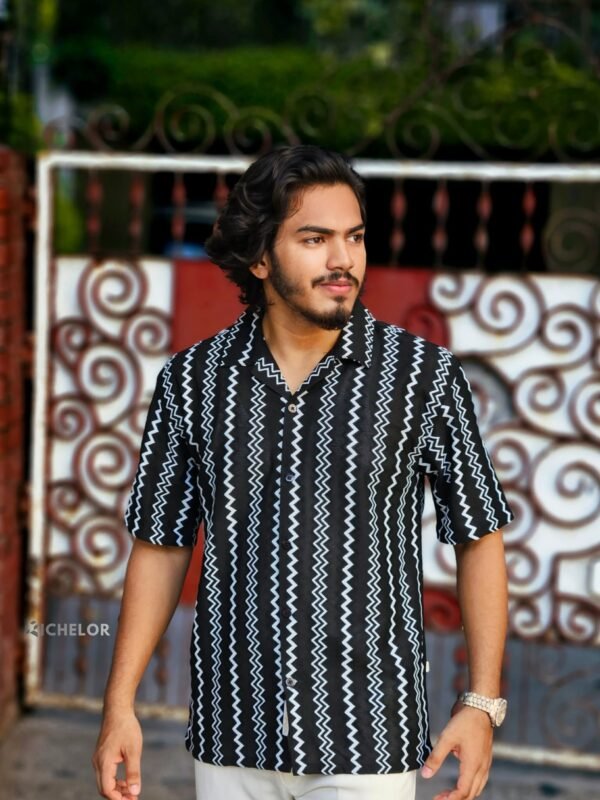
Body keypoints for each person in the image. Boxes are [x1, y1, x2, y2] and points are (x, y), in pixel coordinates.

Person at [93, 145, 514, 800]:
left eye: (355, 237)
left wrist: (482, 704)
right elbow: (161, 546)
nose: (343, 259)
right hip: (233, 734)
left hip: (368, 739)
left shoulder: (424, 378)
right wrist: (119, 704)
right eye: (315, 239)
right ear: (260, 257)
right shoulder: (192, 382)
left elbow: (479, 536)